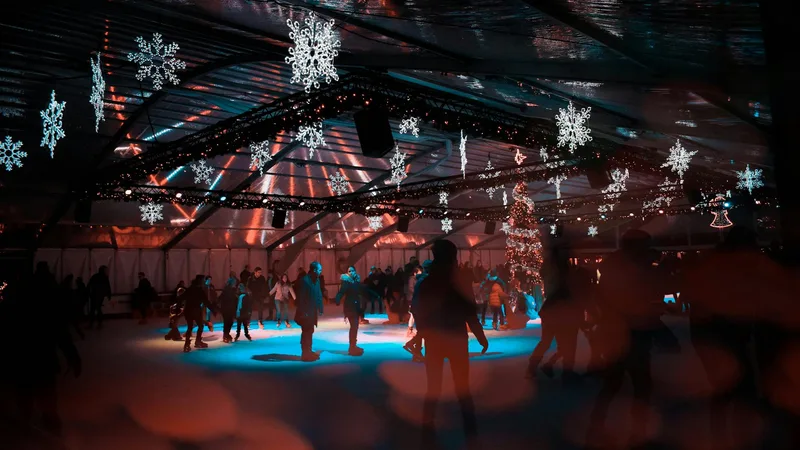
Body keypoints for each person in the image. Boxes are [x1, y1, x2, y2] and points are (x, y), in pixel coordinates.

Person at [587, 230, 665, 447]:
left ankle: (598, 425)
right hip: (630, 331)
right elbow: (639, 299)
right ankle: (637, 431)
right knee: (639, 384)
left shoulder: (615, 268)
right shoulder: (631, 270)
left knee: (616, 383)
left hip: (618, 331)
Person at [414, 240, 488, 448]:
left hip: (435, 341)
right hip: (456, 339)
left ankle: (427, 432)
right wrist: (480, 336)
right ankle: (471, 432)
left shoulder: (427, 283)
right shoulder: (459, 283)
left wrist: (424, 334)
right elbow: (470, 312)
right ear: (453, 258)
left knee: (433, 387)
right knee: (462, 387)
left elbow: (419, 312)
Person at [1, 262, 81, 438]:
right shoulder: (50, 301)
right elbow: (61, 333)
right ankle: (48, 424)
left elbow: (9, 329)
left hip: (24, 356)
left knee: (26, 391)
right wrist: (73, 357)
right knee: (45, 393)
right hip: (43, 358)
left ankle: (28, 422)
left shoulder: (20, 299)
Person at [335, 266, 372, 356]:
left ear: (355, 271)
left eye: (352, 270)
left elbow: (362, 290)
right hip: (350, 307)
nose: (351, 272)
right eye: (349, 271)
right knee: (354, 326)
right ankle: (352, 347)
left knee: (355, 327)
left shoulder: (356, 281)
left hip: (356, 306)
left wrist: (372, 295)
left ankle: (353, 346)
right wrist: (337, 299)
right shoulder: (346, 282)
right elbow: (341, 292)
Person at [295, 261, 324, 362]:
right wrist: (304, 312)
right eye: (319, 270)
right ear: (314, 270)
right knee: (306, 331)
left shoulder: (317, 280)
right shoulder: (304, 281)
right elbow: (301, 298)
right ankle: (305, 353)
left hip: (312, 311)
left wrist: (320, 307)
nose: (321, 272)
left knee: (310, 331)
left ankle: (308, 351)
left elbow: (319, 294)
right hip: (305, 312)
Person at [405, 260, 431, 362]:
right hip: (422, 308)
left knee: (422, 330)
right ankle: (412, 345)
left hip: (417, 307)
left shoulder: (420, 279)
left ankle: (417, 353)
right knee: (426, 331)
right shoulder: (426, 280)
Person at [182, 275, 213, 353]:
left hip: (188, 310)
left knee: (190, 327)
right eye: (203, 280)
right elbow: (206, 301)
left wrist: (179, 306)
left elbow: (182, 298)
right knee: (200, 326)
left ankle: (187, 345)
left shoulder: (190, 289)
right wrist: (213, 309)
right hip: (195, 310)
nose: (204, 282)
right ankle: (198, 341)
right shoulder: (199, 290)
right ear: (200, 281)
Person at [219, 277, 238, 343]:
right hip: (226, 309)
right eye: (234, 282)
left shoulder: (233, 290)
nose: (235, 284)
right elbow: (221, 298)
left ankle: (227, 334)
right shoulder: (226, 290)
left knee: (230, 322)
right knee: (227, 322)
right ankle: (225, 335)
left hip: (231, 308)